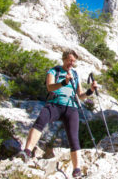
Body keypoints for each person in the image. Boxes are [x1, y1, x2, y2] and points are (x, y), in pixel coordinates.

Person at [16, 50, 97, 178]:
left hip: (71, 107)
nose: (72, 63)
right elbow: (50, 87)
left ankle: (76, 169)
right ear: (64, 59)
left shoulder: (75, 74)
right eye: (70, 60)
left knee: (73, 137)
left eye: (74, 61)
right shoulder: (54, 71)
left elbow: (80, 95)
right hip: (54, 103)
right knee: (40, 121)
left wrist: (90, 91)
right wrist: (63, 82)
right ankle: (27, 151)